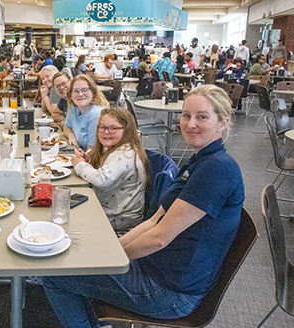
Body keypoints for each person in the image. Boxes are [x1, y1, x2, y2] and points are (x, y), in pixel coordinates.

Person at [42, 84, 244, 327]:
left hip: (169, 291)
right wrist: (113, 249)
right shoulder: (201, 161)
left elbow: (159, 237)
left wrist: (112, 259)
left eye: (202, 117)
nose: (190, 124)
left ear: (222, 123)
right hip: (159, 271)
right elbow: (153, 221)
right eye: (186, 115)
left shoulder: (216, 170)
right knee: (76, 257)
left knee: (52, 271)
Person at [71, 107, 147, 233]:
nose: (106, 132)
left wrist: (80, 165)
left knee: (70, 221)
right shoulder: (115, 148)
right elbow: (109, 172)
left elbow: (101, 180)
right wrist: (87, 162)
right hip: (112, 212)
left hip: (120, 220)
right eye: (102, 127)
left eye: (113, 128)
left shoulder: (125, 154)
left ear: (127, 131)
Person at [64, 75, 109, 151]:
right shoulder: (74, 108)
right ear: (70, 95)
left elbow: (92, 152)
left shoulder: (96, 115)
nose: (80, 94)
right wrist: (70, 135)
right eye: (76, 91)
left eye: (85, 90)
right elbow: (66, 127)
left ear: (93, 93)